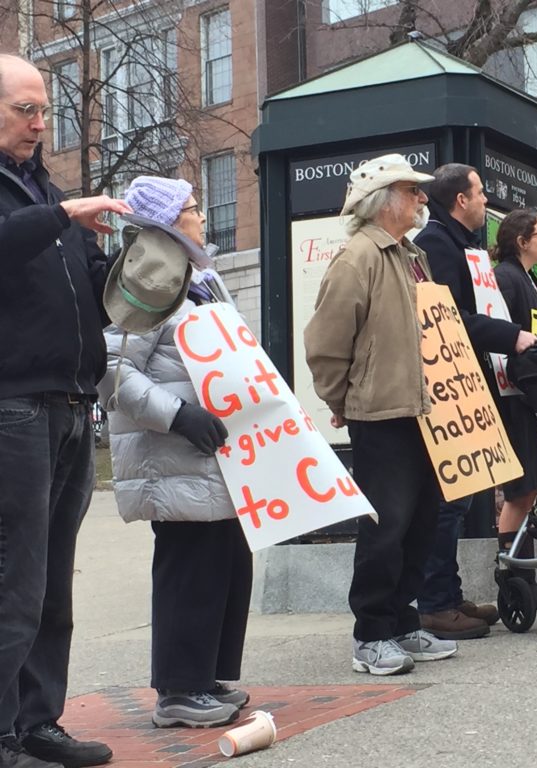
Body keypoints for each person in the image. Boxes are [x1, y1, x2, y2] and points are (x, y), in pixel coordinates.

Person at [0, 54, 132, 768]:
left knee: (51, 580)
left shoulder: (40, 187)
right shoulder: (39, 202)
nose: (40, 123)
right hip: (13, 406)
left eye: (44, 111)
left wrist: (142, 260)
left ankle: (37, 721)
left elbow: (97, 292)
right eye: (26, 110)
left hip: (74, 405)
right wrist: (62, 215)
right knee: (13, 579)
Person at [96, 176, 253, 729]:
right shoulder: (146, 278)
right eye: (192, 208)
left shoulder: (200, 278)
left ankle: (204, 677)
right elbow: (113, 372)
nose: (203, 216)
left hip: (210, 455)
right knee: (190, 568)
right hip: (173, 456)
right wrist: (179, 415)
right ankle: (179, 691)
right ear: (166, 221)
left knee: (225, 563)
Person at [305, 154, 457, 676]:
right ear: (385, 199)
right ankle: (370, 634)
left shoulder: (412, 255)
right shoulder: (358, 258)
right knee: (386, 526)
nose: (421, 199)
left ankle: (402, 620)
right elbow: (326, 341)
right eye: (412, 191)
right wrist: (340, 400)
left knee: (420, 522)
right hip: (380, 413)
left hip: (423, 408)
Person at [412, 164, 536, 641]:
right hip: (448, 386)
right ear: (461, 200)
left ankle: (449, 594)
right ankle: (436, 603)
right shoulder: (440, 244)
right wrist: (512, 337)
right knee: (449, 500)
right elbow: (451, 317)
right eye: (480, 193)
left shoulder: (462, 245)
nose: (487, 201)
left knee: (461, 498)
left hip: (472, 380)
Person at [492, 209, 537, 553]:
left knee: (532, 488)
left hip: (532, 395)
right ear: (521, 241)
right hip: (514, 396)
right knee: (521, 489)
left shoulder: (531, 279)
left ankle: (524, 567)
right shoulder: (507, 278)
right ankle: (511, 568)